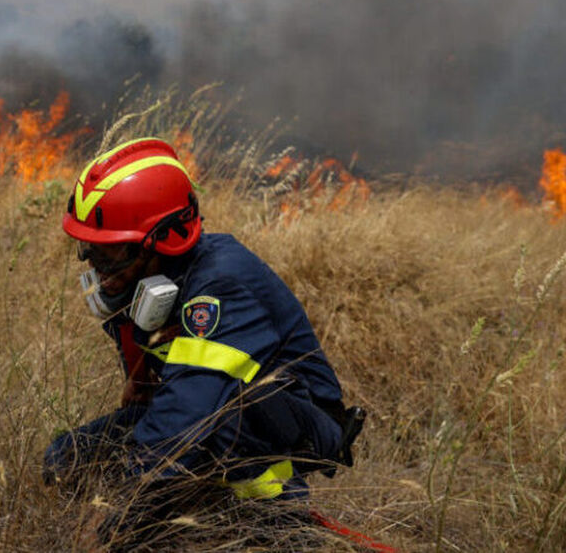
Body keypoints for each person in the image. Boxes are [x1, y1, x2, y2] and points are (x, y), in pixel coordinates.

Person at [44, 137, 363, 536]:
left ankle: (282, 527)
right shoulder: (142, 281)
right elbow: (153, 393)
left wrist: (119, 513)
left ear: (163, 241)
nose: (96, 266)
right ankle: (204, 497)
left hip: (291, 419)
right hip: (209, 405)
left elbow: (183, 415)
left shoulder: (220, 285)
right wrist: (138, 381)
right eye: (89, 249)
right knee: (66, 456)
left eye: (110, 254)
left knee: (220, 424)